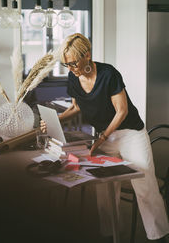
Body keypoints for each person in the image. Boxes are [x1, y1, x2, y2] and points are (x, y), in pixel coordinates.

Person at [40, 33, 169, 242]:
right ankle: (112, 235)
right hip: (104, 137)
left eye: (73, 63)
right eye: (66, 65)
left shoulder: (109, 74)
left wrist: (101, 139)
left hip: (130, 135)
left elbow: (122, 111)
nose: (71, 68)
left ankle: (160, 236)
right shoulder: (74, 77)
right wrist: (56, 119)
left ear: (87, 55)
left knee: (145, 185)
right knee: (105, 189)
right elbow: (77, 106)